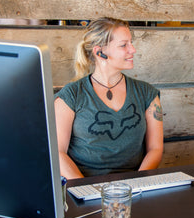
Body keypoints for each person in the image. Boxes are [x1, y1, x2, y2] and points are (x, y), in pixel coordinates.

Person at [54, 17, 163, 179]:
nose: (132, 50)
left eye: (131, 43)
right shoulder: (71, 95)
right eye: (123, 45)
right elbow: (58, 152)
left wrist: (137, 184)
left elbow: (155, 148)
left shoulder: (147, 93)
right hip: (82, 186)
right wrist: (86, 189)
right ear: (100, 52)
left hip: (135, 186)